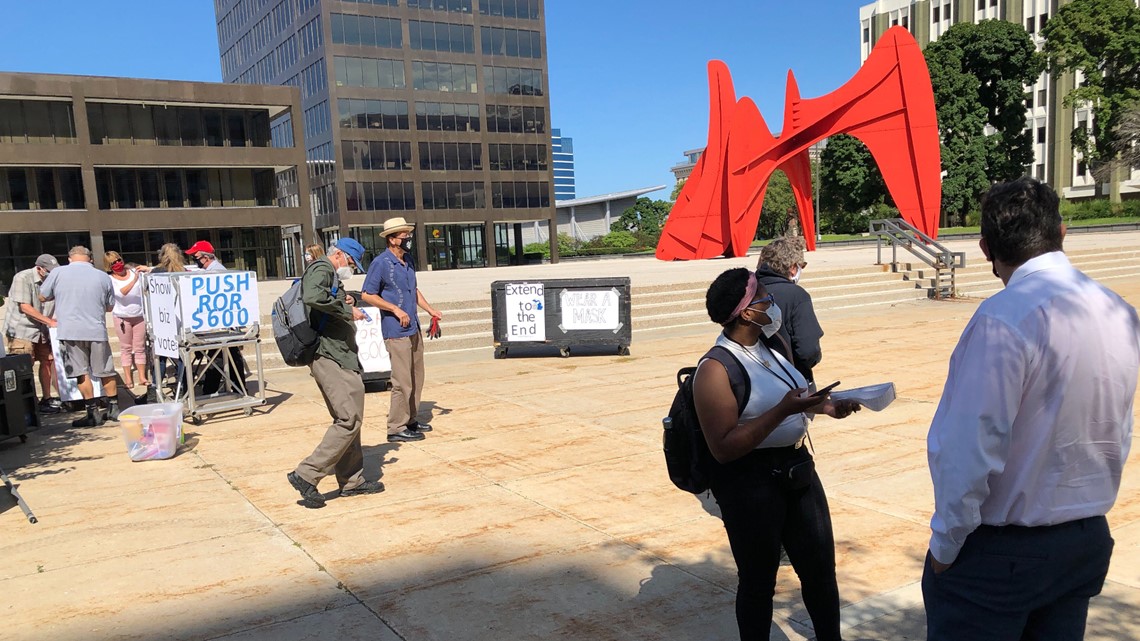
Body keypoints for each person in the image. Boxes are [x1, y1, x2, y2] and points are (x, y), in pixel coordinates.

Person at [923, 178, 1140, 640]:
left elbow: (968, 450)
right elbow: (1116, 429)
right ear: (1062, 231)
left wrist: (945, 544)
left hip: (1003, 557)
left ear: (985, 249)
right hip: (1081, 540)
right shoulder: (1119, 311)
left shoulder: (1003, 318)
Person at [693, 267, 860, 641]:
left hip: (798, 472)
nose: (773, 302)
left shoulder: (772, 347)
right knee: (757, 582)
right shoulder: (716, 369)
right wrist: (782, 411)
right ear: (748, 313)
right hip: (750, 486)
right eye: (764, 297)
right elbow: (723, 446)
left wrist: (827, 406)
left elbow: (794, 398)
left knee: (820, 571)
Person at [287, 238, 384, 508]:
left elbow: (324, 299)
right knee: (348, 419)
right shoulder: (322, 268)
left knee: (350, 418)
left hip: (339, 355)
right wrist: (346, 309)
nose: (351, 267)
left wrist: (346, 297)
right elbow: (312, 296)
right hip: (330, 356)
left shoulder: (328, 274)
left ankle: (352, 481)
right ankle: (306, 474)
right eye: (351, 261)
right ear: (339, 255)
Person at [360, 217, 443, 443]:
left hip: (413, 327)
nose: (407, 238)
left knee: (417, 377)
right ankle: (396, 427)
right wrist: (394, 309)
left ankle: (410, 419)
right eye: (403, 235)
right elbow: (367, 294)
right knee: (402, 381)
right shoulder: (381, 263)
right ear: (392, 239)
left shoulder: (408, 260)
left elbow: (413, 290)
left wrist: (429, 310)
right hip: (395, 330)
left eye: (408, 234)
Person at [40, 246, 118, 427]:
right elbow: (109, 306)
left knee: (81, 372)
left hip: (70, 330)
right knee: (105, 370)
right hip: (96, 330)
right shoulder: (102, 276)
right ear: (90, 259)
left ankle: (92, 413)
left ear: (69, 259)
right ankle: (114, 409)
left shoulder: (58, 273)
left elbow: (42, 296)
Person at [757, 236, 822, 383]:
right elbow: (808, 351)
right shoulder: (796, 295)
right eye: (801, 266)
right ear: (793, 267)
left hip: (751, 378)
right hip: (790, 381)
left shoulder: (747, 290)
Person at [3, 254, 62, 414]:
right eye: (48, 271)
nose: (51, 274)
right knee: (24, 367)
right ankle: (28, 404)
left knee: (47, 361)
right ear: (39, 268)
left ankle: (47, 399)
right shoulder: (22, 277)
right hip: (22, 330)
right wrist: (49, 321)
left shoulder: (55, 280)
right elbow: (25, 307)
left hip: (43, 329)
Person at [106, 251, 149, 389]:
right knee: (126, 348)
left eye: (119, 260)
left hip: (139, 315)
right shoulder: (110, 279)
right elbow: (121, 293)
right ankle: (128, 379)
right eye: (114, 263)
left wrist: (146, 270)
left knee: (140, 347)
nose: (118, 264)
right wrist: (134, 280)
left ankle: (142, 376)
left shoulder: (133, 271)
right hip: (122, 317)